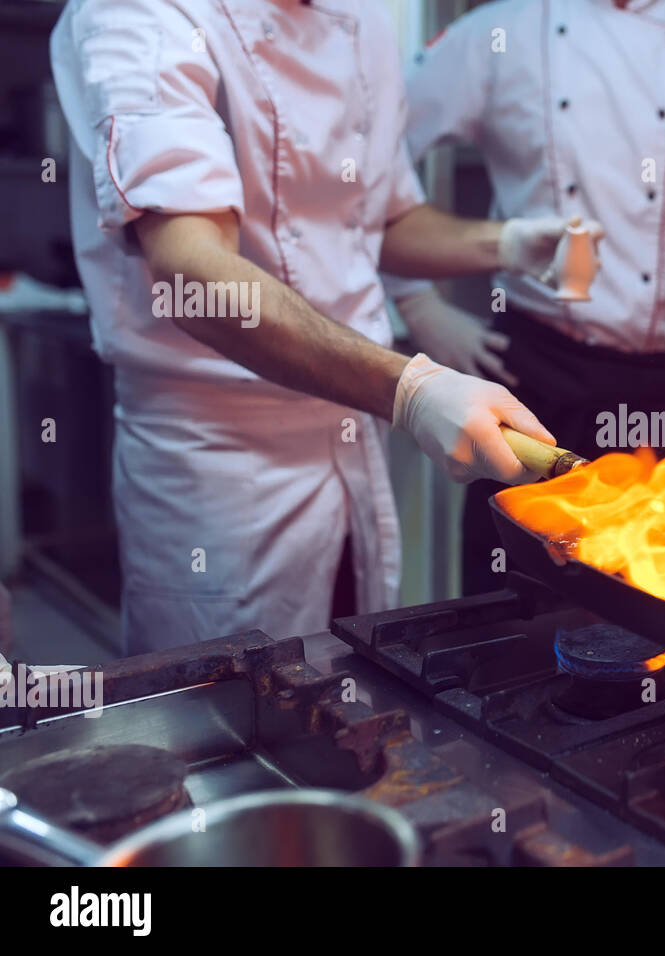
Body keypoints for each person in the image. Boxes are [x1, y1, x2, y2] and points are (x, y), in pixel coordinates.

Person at [50, 0, 564, 655]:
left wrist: (508, 242)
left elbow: (380, 220)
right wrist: (409, 388)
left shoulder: (362, 21)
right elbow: (191, 268)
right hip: (220, 459)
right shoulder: (142, 12)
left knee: (353, 684)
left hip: (353, 431)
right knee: (230, 712)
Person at [394, 0, 665, 595]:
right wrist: (418, 305)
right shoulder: (499, 31)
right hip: (533, 393)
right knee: (515, 628)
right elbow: (375, 151)